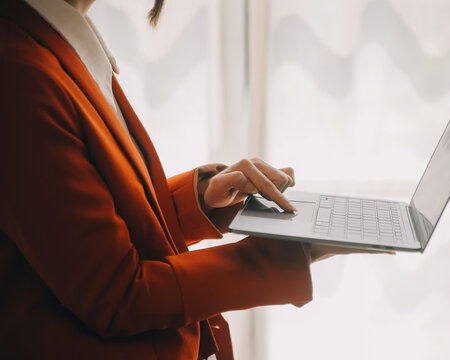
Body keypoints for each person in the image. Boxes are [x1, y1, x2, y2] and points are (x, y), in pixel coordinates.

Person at [0, 0, 381, 358]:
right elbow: (118, 297)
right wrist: (285, 255)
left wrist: (199, 200)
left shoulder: (55, 45)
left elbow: (78, 239)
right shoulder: (21, 71)